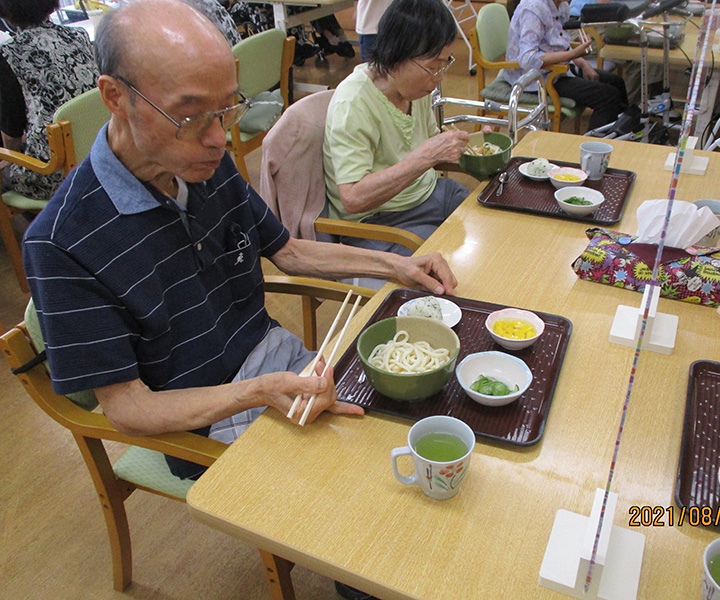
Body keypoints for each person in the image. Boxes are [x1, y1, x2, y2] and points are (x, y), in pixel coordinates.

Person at [22, 0, 458, 482]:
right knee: (368, 483)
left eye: (228, 109)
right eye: (191, 117)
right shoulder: (63, 241)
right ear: (114, 96)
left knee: (425, 423)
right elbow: (128, 409)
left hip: (282, 365)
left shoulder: (204, 163)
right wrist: (256, 392)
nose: (218, 138)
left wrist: (399, 268)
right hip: (206, 423)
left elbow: (288, 251)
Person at [323, 0, 472, 257]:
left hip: (427, 194)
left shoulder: (416, 87)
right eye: (433, 67)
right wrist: (426, 156)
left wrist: (472, 148)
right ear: (396, 54)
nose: (439, 79)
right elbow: (354, 197)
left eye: (444, 65)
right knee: (444, 259)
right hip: (377, 221)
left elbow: (427, 140)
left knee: (484, 218)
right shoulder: (354, 103)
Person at [0, 0, 97, 199]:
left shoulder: (9, 53)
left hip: (55, 172)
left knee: (5, 174)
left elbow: (12, 135)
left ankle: (44, 226)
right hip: (98, 155)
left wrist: (10, 159)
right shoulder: (79, 36)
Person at [502, 0, 628, 130]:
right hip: (534, 78)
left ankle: (622, 132)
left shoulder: (562, 7)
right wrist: (572, 55)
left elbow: (561, 45)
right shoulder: (532, 10)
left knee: (616, 82)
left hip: (557, 69)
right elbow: (527, 59)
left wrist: (584, 64)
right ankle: (594, 147)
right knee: (608, 97)